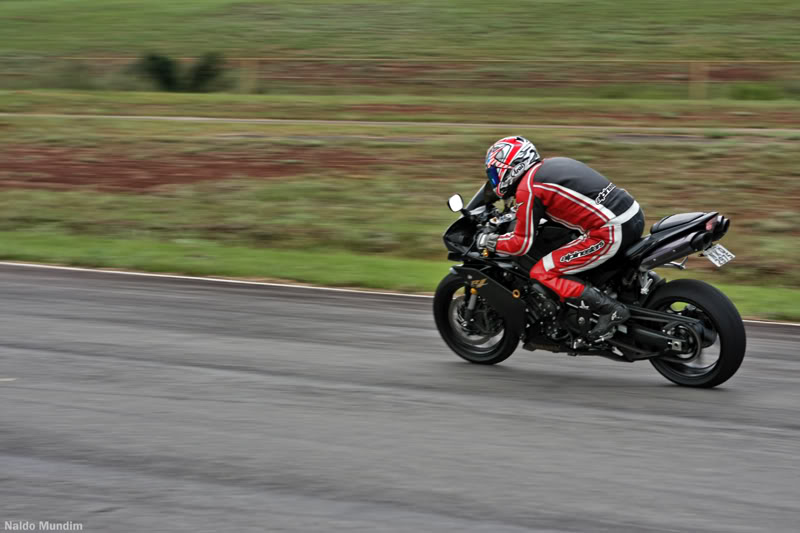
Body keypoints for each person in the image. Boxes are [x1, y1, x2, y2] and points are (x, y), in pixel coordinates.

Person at [477, 136, 645, 341]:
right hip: (632, 214)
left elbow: (520, 244)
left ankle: (610, 309)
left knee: (542, 271)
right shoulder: (549, 165)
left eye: (495, 173)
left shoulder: (527, 188)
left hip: (611, 230)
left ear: (511, 167)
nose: (494, 180)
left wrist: (489, 241)